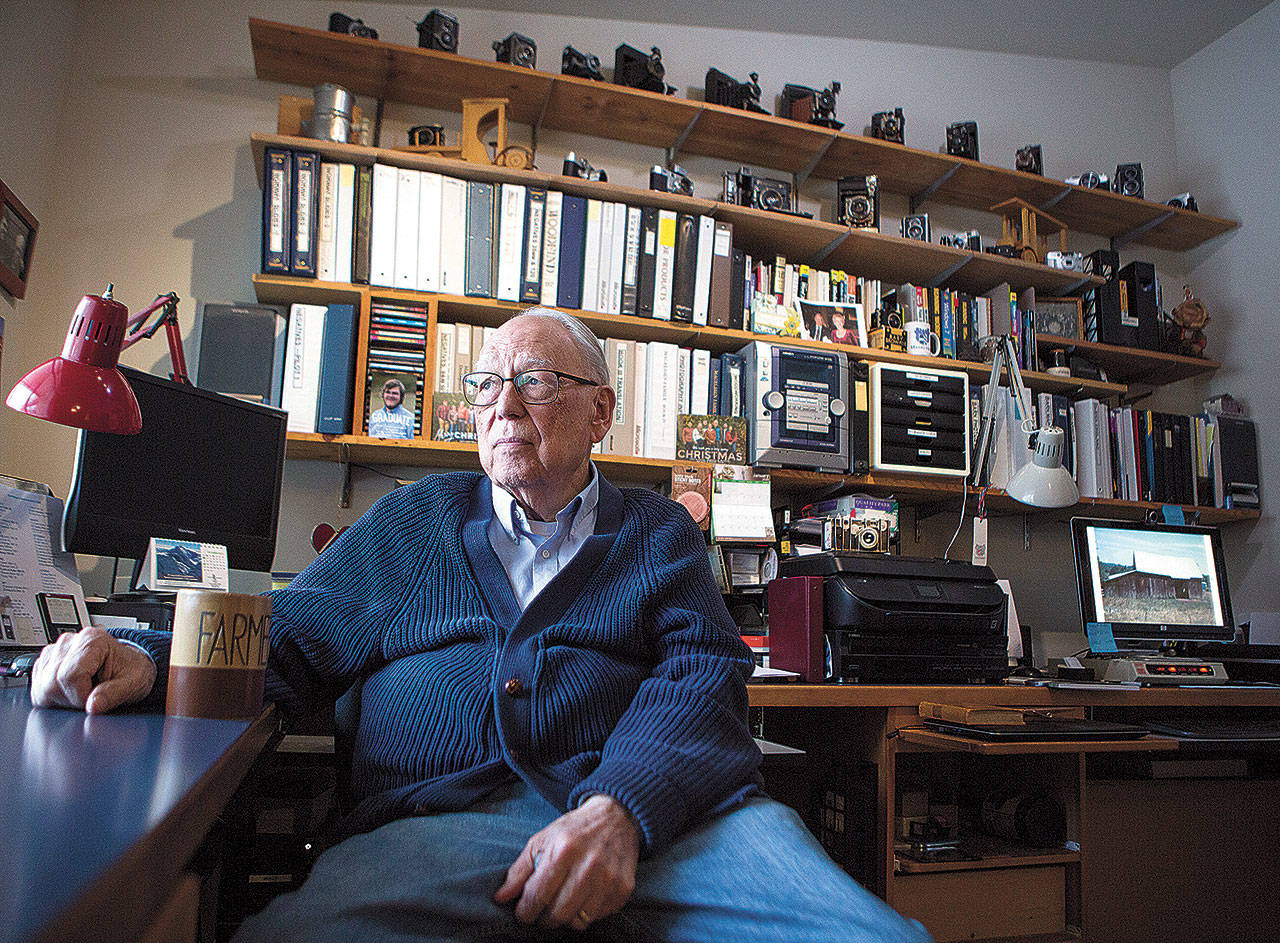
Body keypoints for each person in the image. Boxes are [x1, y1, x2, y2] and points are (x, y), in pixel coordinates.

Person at [30, 308, 930, 943]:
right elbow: (293, 631)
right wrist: (144, 658)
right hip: (435, 823)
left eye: (534, 381)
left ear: (601, 412)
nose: (501, 402)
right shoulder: (416, 519)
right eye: (488, 382)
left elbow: (704, 674)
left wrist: (620, 809)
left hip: (671, 824)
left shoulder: (659, 531)